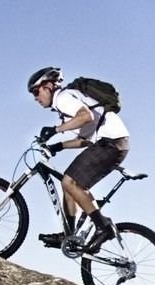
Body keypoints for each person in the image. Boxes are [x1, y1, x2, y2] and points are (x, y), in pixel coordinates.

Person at [27, 66, 129, 251]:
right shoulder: (68, 103)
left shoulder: (63, 98)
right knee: (69, 185)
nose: (35, 97)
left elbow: (85, 116)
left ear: (48, 86)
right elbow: (84, 140)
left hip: (111, 143)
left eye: (36, 91)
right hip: (113, 143)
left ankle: (103, 227)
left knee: (69, 182)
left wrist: (55, 130)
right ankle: (69, 234)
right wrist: (57, 146)